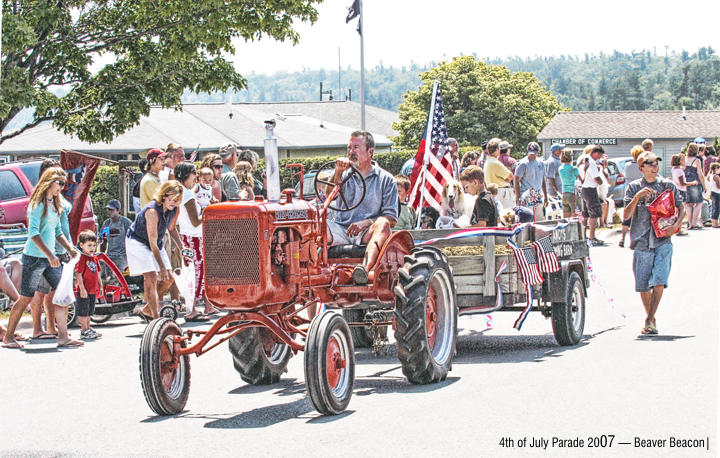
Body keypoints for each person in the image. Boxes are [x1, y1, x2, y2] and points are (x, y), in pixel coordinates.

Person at [2, 167, 81, 349]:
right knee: (25, 297)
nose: (62, 187)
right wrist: (50, 254)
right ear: (49, 181)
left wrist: (69, 248)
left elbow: (57, 231)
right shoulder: (37, 205)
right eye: (59, 183)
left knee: (62, 294)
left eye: (64, 183)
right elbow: (34, 234)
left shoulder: (55, 203)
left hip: (50, 257)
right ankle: (9, 337)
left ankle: (63, 336)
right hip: (35, 258)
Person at [623, 151, 684, 335]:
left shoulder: (667, 185)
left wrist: (676, 225)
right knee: (643, 284)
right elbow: (625, 215)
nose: (654, 166)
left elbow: (681, 207)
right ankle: (651, 317)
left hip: (663, 239)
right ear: (641, 167)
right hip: (641, 240)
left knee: (659, 280)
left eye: (656, 163)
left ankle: (649, 319)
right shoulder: (633, 188)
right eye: (649, 163)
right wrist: (637, 198)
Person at [327, 131, 398, 285]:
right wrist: (338, 172)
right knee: (316, 224)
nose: (351, 152)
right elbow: (328, 198)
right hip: (340, 228)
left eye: (356, 147)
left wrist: (365, 223)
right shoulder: (342, 174)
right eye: (349, 148)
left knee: (383, 224)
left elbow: (391, 218)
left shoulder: (386, 179)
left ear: (370, 151)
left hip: (367, 232)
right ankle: (312, 274)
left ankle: (364, 270)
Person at [126, 181, 187, 320]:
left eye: (177, 200)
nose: (174, 202)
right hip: (138, 241)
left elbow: (171, 229)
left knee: (169, 278)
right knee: (151, 276)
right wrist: (161, 267)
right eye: (171, 199)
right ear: (164, 196)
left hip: (156, 242)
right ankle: (154, 317)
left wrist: (182, 247)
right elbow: (152, 243)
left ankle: (147, 308)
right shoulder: (152, 211)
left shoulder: (175, 209)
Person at [175, 162, 217, 321]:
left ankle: (197, 307)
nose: (196, 177)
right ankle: (191, 310)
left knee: (194, 272)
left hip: (189, 236)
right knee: (195, 273)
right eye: (194, 173)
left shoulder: (184, 192)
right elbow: (195, 221)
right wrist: (209, 210)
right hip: (193, 236)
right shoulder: (188, 195)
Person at [74, 230, 103, 339]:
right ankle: (84, 329)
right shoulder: (82, 258)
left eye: (94, 245)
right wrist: (82, 289)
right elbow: (78, 274)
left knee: (90, 310)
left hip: (92, 289)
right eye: (89, 245)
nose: (92, 248)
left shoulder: (94, 258)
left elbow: (97, 273)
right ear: (81, 245)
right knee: (83, 311)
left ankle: (89, 327)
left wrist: (100, 286)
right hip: (84, 290)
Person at [620, 145, 650, 247]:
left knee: (627, 218)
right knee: (638, 217)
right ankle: (635, 240)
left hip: (628, 192)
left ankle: (622, 238)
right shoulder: (641, 167)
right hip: (641, 191)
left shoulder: (627, 165)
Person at [514, 142, 547, 221]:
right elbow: (516, 180)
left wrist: (546, 196)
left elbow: (543, 180)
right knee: (528, 220)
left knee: (540, 220)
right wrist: (518, 197)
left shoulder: (541, 163)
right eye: (531, 153)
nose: (532, 155)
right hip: (526, 196)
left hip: (538, 195)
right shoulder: (522, 164)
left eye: (534, 153)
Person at [579, 145, 605, 246]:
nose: (598, 158)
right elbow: (596, 177)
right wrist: (601, 182)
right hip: (590, 188)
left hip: (583, 188)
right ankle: (592, 237)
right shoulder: (591, 162)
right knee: (594, 213)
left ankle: (583, 236)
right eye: (599, 155)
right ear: (595, 153)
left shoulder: (581, 158)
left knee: (585, 214)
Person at [100, 199, 132, 272]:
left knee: (121, 279)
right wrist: (101, 255)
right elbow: (103, 241)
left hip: (122, 258)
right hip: (109, 257)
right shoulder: (107, 224)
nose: (109, 212)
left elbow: (132, 240)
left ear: (118, 210)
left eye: (111, 209)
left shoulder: (125, 222)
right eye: (108, 209)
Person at [483, 138, 514, 209]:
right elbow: (510, 176)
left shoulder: (488, 161)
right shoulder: (495, 162)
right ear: (497, 149)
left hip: (493, 191)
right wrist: (505, 180)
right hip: (502, 192)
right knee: (507, 214)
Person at [670, 153, 696, 233]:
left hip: (677, 190)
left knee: (677, 210)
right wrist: (692, 183)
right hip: (682, 190)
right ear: (680, 161)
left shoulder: (674, 169)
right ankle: (679, 228)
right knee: (681, 210)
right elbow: (683, 183)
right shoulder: (680, 171)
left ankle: (678, 228)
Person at [684, 143, 705, 229]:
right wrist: (704, 186)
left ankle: (690, 223)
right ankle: (694, 222)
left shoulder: (684, 159)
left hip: (686, 183)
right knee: (699, 203)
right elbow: (700, 174)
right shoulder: (697, 160)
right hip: (695, 183)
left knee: (688, 204)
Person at [558, 148, 580, 218]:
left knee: (566, 213)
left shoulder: (560, 168)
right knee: (574, 213)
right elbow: (580, 179)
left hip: (564, 192)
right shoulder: (574, 168)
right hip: (572, 193)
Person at [708, 163, 720, 228]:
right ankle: (715, 223)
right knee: (717, 208)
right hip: (717, 193)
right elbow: (719, 186)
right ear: (716, 168)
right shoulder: (716, 176)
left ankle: (714, 222)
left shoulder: (711, 175)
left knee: (714, 208)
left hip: (713, 192)